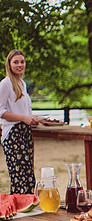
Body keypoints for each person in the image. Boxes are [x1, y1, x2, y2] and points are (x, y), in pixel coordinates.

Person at [0, 50, 44, 194]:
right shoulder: (5, 84)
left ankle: (28, 209)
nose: (20, 65)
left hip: (25, 132)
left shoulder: (22, 84)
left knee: (28, 175)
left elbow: (24, 112)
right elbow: (0, 111)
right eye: (16, 62)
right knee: (18, 177)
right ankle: (18, 211)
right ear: (9, 64)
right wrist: (23, 118)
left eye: (22, 62)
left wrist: (35, 119)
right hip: (12, 134)